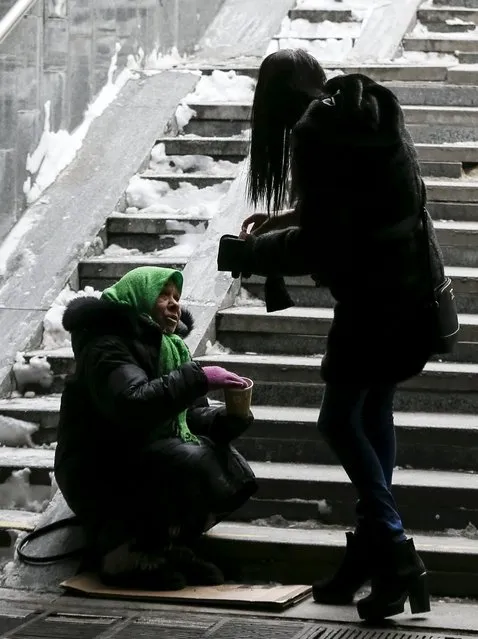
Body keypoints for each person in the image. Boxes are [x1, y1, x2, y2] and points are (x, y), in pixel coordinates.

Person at [217, 49, 448, 620]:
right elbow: (355, 208)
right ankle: (370, 554)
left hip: (375, 303)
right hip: (414, 287)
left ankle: (394, 552)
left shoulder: (314, 136)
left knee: (339, 419)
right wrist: (284, 220)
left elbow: (324, 244)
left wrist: (250, 251)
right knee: (373, 415)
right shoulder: (364, 109)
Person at [54, 266, 257, 590]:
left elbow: (186, 418)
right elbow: (132, 405)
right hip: (96, 467)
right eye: (163, 295)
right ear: (139, 298)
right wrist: (198, 378)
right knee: (190, 461)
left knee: (231, 469)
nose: (175, 303)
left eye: (177, 297)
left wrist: (227, 420)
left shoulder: (170, 348)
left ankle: (166, 546)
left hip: (137, 455)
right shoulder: (107, 346)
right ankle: (124, 556)